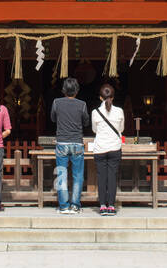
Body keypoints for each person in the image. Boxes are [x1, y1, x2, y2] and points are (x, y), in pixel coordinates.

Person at [50, 77, 88, 213]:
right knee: (78, 175)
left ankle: (64, 206)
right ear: (76, 91)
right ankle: (75, 205)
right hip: (77, 142)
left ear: (63, 90)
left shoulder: (56, 102)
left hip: (62, 142)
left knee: (62, 174)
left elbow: (53, 118)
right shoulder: (82, 104)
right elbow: (86, 122)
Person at [90, 83, 125, 215]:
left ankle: (102, 206)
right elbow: (121, 129)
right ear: (113, 97)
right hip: (115, 148)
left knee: (101, 177)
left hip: (100, 148)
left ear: (100, 97)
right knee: (112, 177)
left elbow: (94, 130)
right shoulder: (119, 111)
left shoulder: (95, 112)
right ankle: (111, 205)